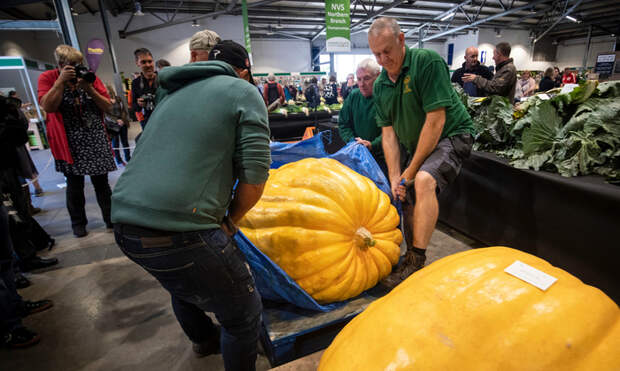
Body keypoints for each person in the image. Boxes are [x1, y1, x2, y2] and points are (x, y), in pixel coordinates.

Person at [111, 37, 270, 371]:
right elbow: (255, 179)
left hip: (125, 225)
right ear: (243, 71)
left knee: (184, 283)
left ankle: (204, 341)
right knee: (243, 314)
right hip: (182, 230)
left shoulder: (173, 94)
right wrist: (231, 219)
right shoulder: (242, 90)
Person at [368, 17, 474, 288]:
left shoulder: (426, 62)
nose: (382, 59)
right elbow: (388, 134)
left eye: (387, 51)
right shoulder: (381, 85)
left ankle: (416, 259)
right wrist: (395, 177)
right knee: (402, 192)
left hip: (452, 135)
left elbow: (435, 121)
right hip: (417, 143)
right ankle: (409, 255)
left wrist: (410, 171)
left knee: (424, 181)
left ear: (401, 40)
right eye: (376, 54)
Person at [38, 44, 115, 238]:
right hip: (68, 141)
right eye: (70, 65)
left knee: (102, 184)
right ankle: (78, 224)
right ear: (60, 64)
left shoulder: (89, 78)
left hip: (95, 137)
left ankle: (110, 219)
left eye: (78, 64)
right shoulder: (48, 78)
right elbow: (48, 106)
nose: (75, 68)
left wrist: (89, 88)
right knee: (74, 185)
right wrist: (59, 83)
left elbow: (108, 107)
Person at [338, 58, 386, 175]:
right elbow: (343, 124)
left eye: (366, 78)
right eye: (358, 79)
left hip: (383, 158)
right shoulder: (354, 96)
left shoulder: (386, 97)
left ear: (378, 76)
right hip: (357, 156)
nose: (361, 84)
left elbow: (392, 131)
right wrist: (354, 143)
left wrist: (372, 145)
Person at [131, 48, 158, 130]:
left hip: (167, 118)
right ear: (137, 63)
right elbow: (134, 106)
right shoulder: (136, 83)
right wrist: (138, 104)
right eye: (143, 62)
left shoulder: (163, 78)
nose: (148, 65)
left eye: (150, 61)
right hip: (148, 122)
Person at [104, 84, 131, 166]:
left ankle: (128, 158)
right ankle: (119, 161)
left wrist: (122, 119)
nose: (107, 91)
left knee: (125, 142)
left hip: (122, 123)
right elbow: (106, 114)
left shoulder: (118, 99)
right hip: (112, 125)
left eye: (108, 89)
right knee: (115, 143)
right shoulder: (104, 100)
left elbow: (123, 110)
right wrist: (116, 120)